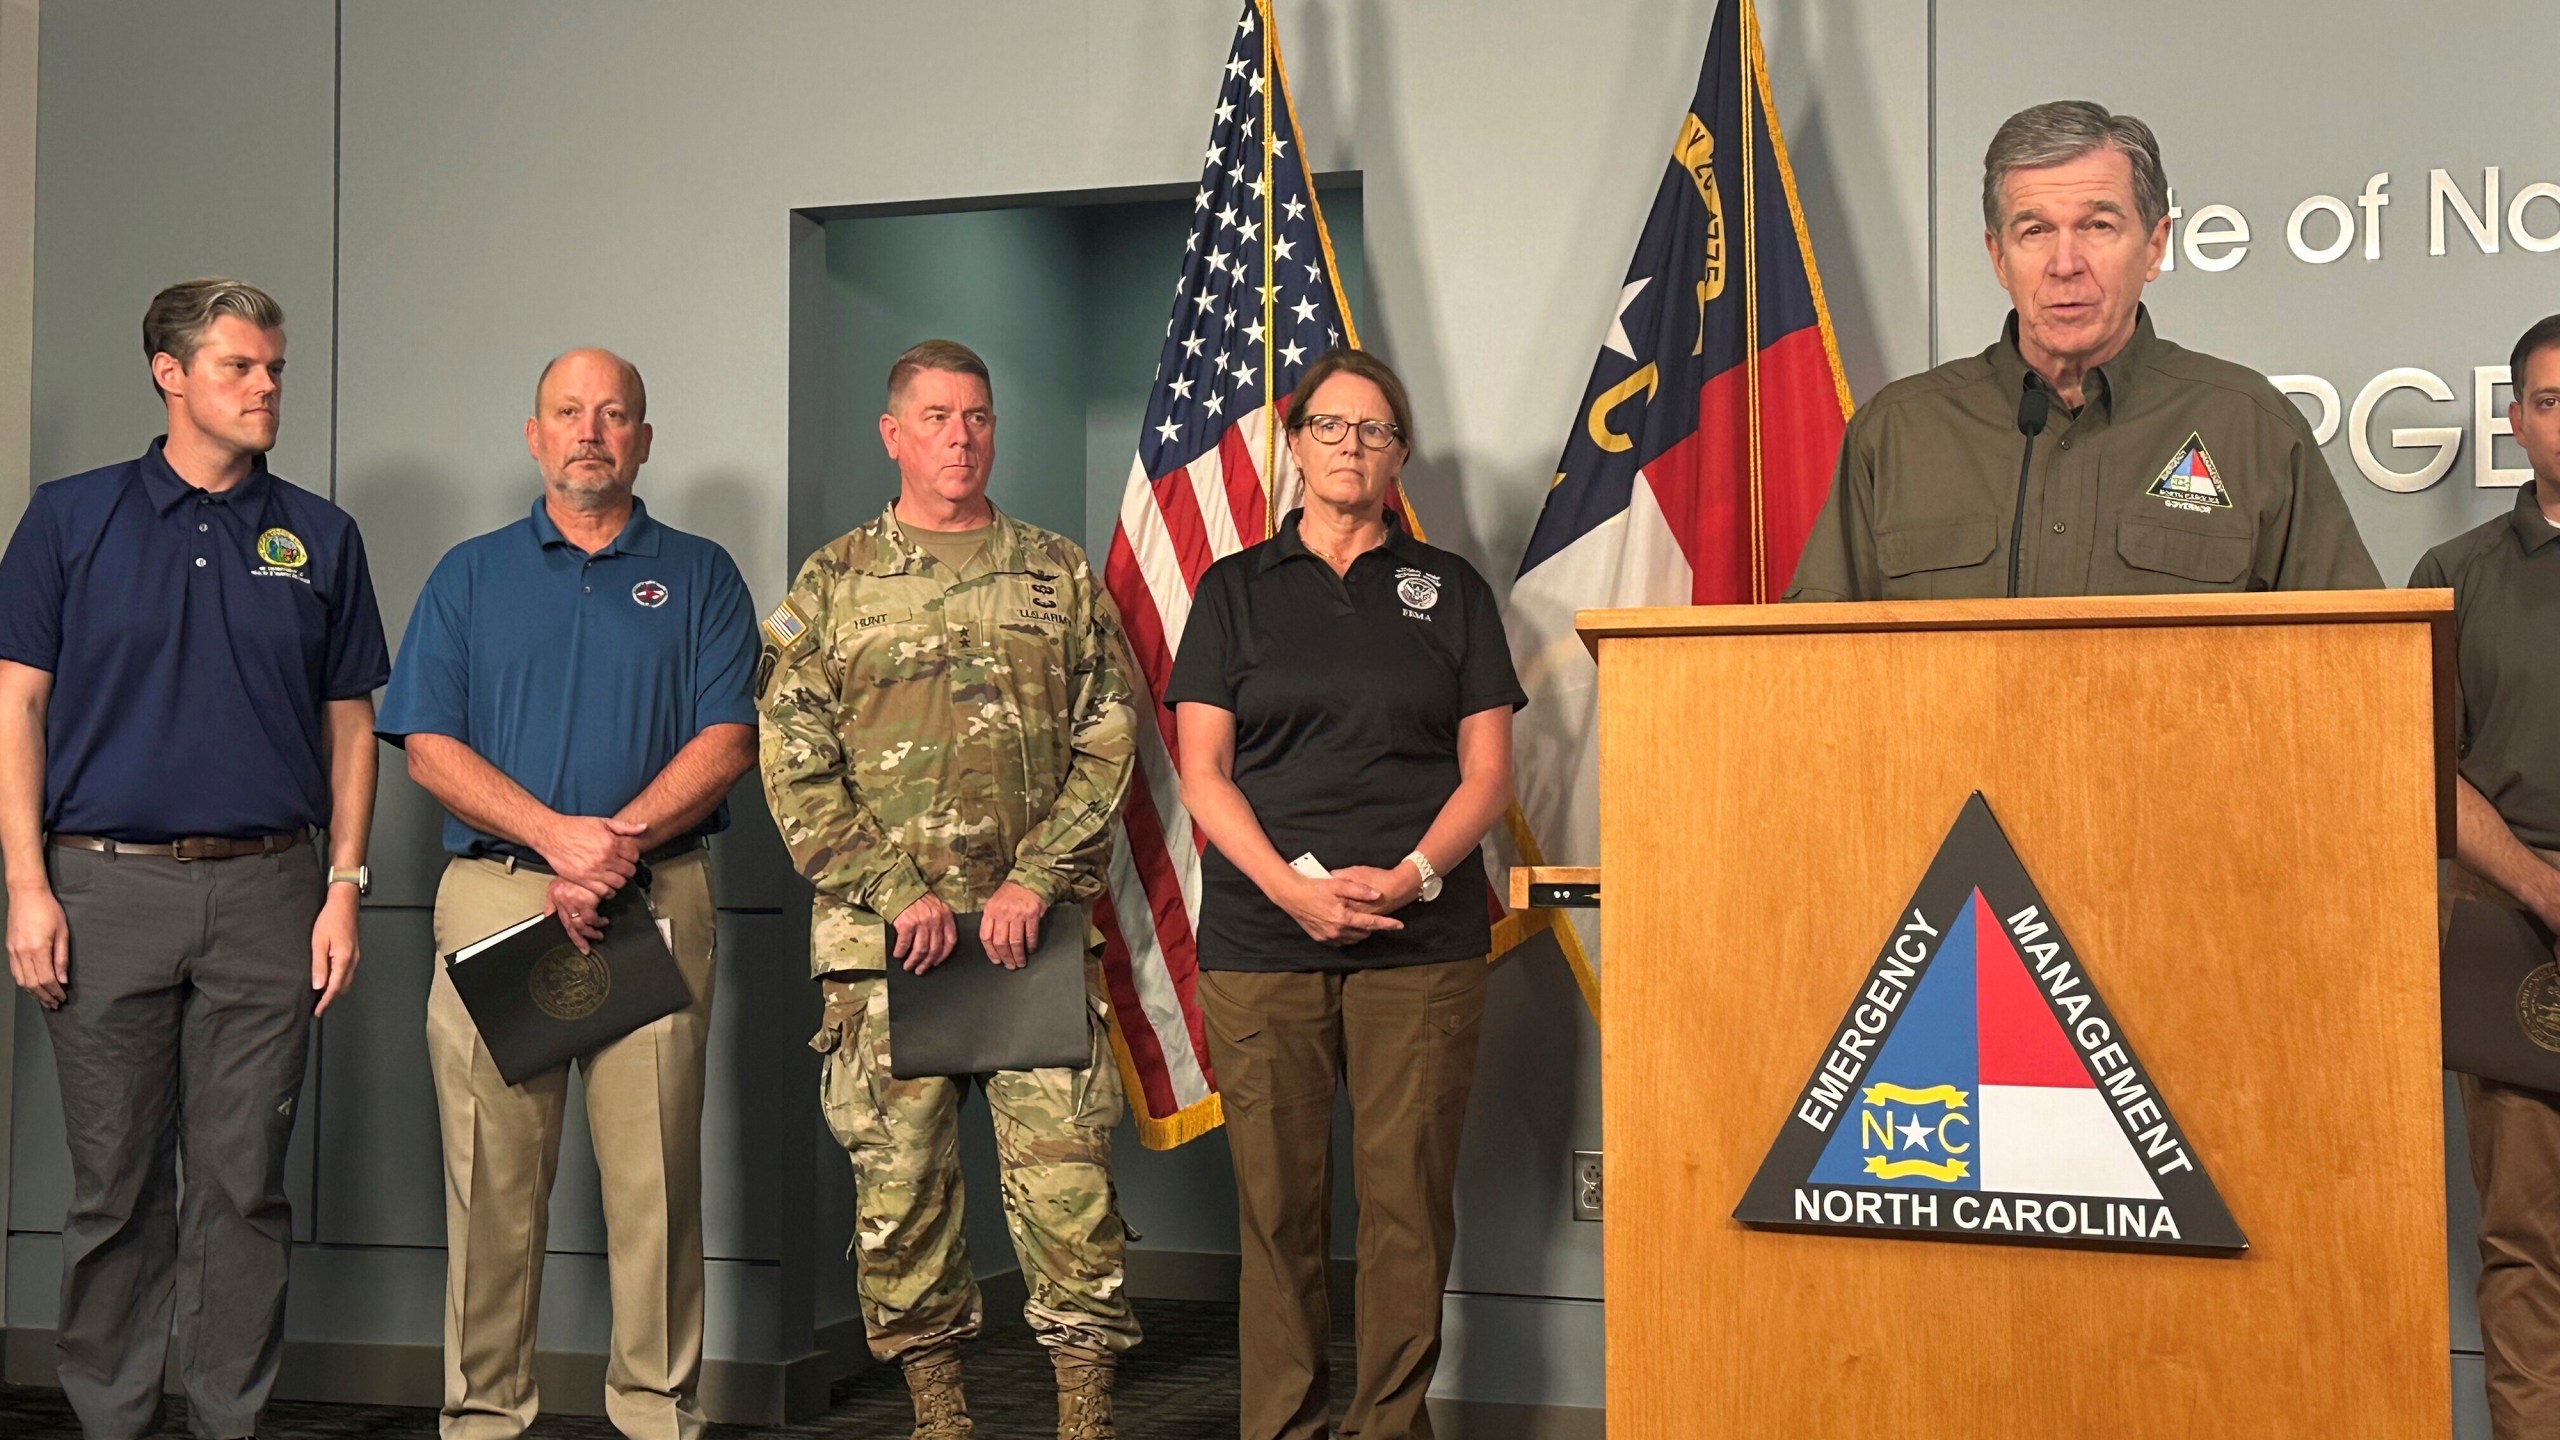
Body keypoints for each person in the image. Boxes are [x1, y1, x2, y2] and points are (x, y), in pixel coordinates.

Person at [0, 278, 387, 1440]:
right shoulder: (70, 521)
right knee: (113, 1187)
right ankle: (112, 1417)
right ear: (170, 374)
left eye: (273, 367)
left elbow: (352, 729)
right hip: (100, 886)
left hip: (272, 891)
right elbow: (16, 710)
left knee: (242, 1186)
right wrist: (26, 886)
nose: (267, 386)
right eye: (239, 367)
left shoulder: (320, 536)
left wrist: (344, 888)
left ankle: (229, 1420)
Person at [759, 339, 1141, 1440]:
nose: (959, 436)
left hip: (1032, 937)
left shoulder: (1056, 572)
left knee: (1071, 1198)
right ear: (893, 434)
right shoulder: (831, 583)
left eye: (975, 415)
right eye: (934, 417)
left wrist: (1036, 878)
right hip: (887, 949)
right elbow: (791, 758)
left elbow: (1109, 736)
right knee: (902, 1196)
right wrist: (893, 890)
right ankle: (939, 1417)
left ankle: (1084, 1417)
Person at [374, 348, 757, 1440]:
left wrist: (611, 853)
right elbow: (429, 749)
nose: (592, 430)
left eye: (615, 415)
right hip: (498, 898)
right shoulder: (469, 574)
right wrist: (556, 843)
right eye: (568, 413)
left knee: (656, 1185)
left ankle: (657, 1415)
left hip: (654, 899)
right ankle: (485, 1418)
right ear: (534, 435)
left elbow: (728, 741)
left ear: (643, 438)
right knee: (492, 1184)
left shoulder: (700, 574)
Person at [1167, 347, 1524, 1440]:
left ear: (1398, 455)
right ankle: (1282, 1427)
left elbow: (1488, 775)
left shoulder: (1448, 589)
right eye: (1330, 426)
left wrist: (1416, 875)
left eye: (1373, 431)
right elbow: (1202, 776)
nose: (1350, 447)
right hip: (1261, 935)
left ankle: (1387, 1428)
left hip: (1421, 941)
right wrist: (1291, 893)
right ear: (1296, 440)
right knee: (1277, 1211)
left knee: (1405, 1208)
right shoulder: (1233, 591)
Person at [1784, 100, 2379, 601]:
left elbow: (2354, 666)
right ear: (1998, 257)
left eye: (2097, 226)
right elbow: (1816, 670)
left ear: (2154, 245)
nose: (2065, 265)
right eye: (2035, 231)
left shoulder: (2248, 425)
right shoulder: (1898, 433)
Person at [2412, 312, 2560, 1438]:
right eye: (2549, 400)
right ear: (2513, 422)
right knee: (2526, 1242)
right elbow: (2427, 766)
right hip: (2515, 930)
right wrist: (2544, 890)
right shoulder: (2452, 575)